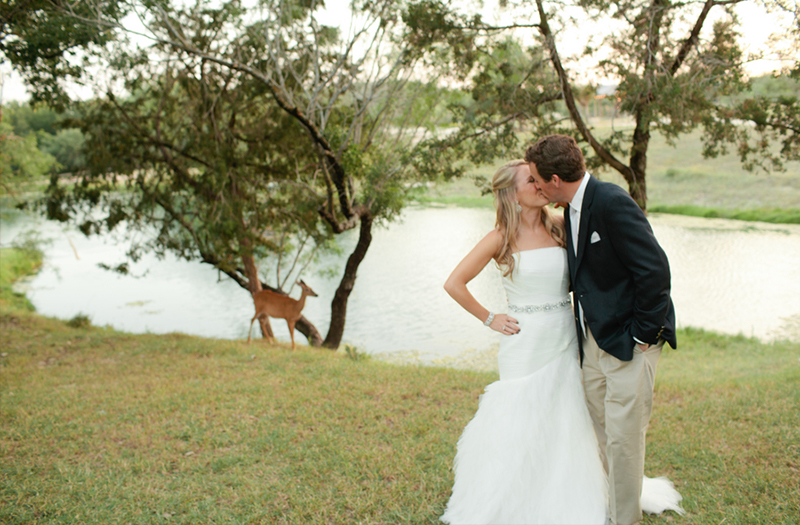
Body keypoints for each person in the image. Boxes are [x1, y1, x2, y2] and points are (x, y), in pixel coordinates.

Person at [440, 159, 608, 524]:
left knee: (565, 418)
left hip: (564, 334)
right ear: (512, 194)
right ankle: (509, 498)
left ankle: (563, 495)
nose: (540, 184)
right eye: (531, 180)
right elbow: (454, 283)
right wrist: (490, 318)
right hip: (525, 342)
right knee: (520, 421)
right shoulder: (500, 237)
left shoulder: (562, 226)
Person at [525, 134, 681, 525]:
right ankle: (609, 507)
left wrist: (643, 335)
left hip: (631, 342)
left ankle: (623, 520)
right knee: (600, 433)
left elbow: (655, 271)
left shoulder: (611, 202)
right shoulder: (572, 209)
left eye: (537, 179)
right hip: (594, 342)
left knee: (624, 440)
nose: (536, 186)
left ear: (556, 179)